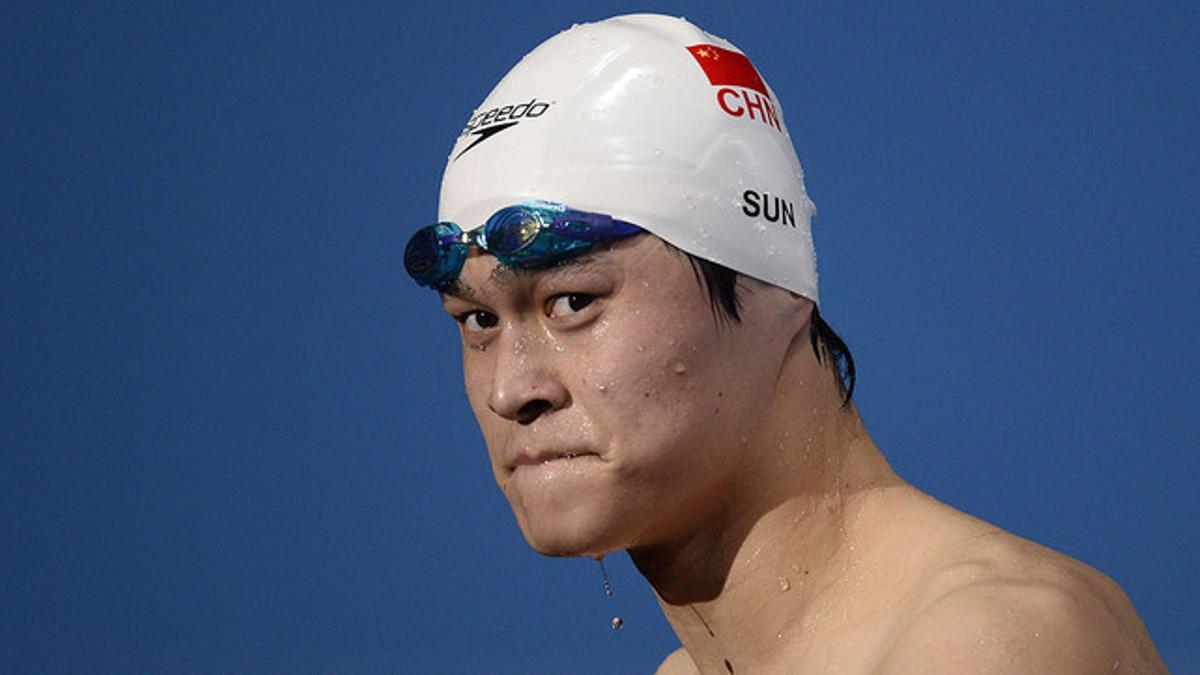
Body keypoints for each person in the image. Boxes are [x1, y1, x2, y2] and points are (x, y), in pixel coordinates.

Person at [405, 14, 1165, 673]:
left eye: (573, 302)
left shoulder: (990, 642)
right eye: (478, 322)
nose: (512, 388)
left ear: (773, 287)